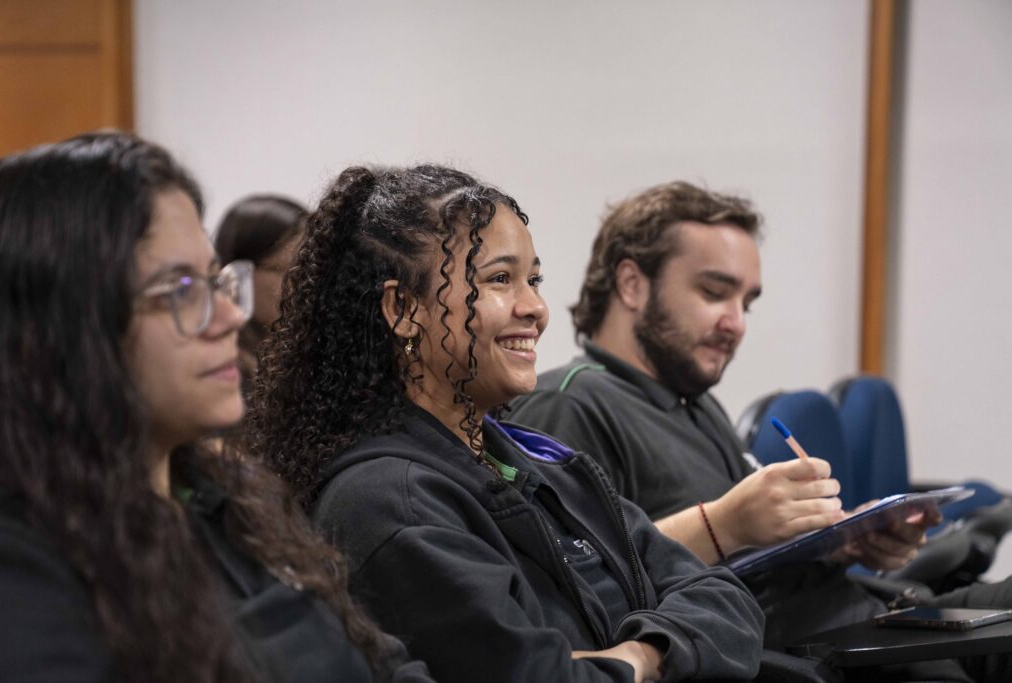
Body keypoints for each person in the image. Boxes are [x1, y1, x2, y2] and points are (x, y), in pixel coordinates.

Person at [246, 165, 765, 683]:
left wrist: (645, 655)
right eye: (499, 279)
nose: (536, 308)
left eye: (532, 280)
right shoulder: (388, 502)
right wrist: (656, 653)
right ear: (404, 308)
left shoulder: (537, 458)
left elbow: (727, 601)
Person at [506, 180, 1010, 681]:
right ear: (632, 284)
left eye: (746, 302)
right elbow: (580, 591)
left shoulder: (696, 405)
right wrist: (723, 523)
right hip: (808, 655)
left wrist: (842, 543)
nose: (736, 322)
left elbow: (752, 560)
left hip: (873, 616)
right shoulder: (567, 405)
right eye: (714, 292)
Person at [0, 133, 431, 683]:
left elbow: (384, 666)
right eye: (179, 290)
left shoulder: (230, 500)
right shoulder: (16, 574)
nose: (226, 316)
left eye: (217, 281)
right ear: (61, 324)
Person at [215, 194, 307, 387]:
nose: (306, 284)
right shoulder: (225, 375)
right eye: (291, 270)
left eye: (311, 269)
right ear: (237, 275)